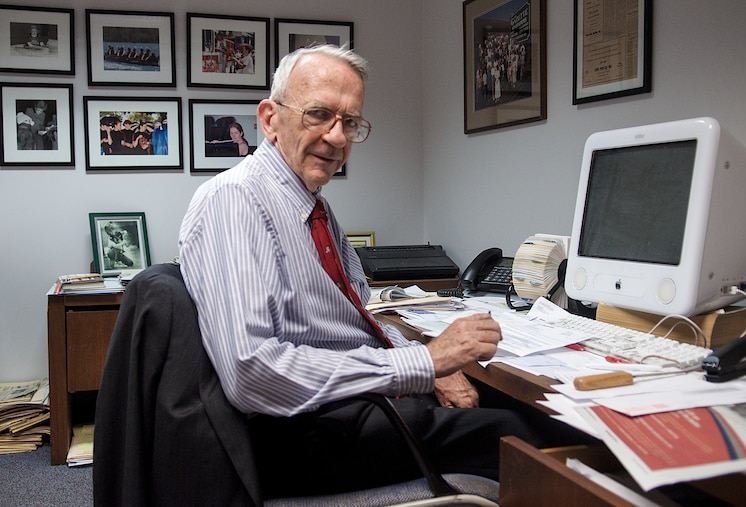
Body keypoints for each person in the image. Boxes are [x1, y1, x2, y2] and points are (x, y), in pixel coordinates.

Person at [178, 45, 584, 499]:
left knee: (517, 408)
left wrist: (429, 365)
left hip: (344, 409)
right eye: (319, 115)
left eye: (350, 123)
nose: (337, 138)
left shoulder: (313, 205)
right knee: (536, 431)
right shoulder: (235, 202)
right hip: (301, 434)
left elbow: (356, 320)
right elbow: (253, 372)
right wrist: (424, 362)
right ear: (270, 119)